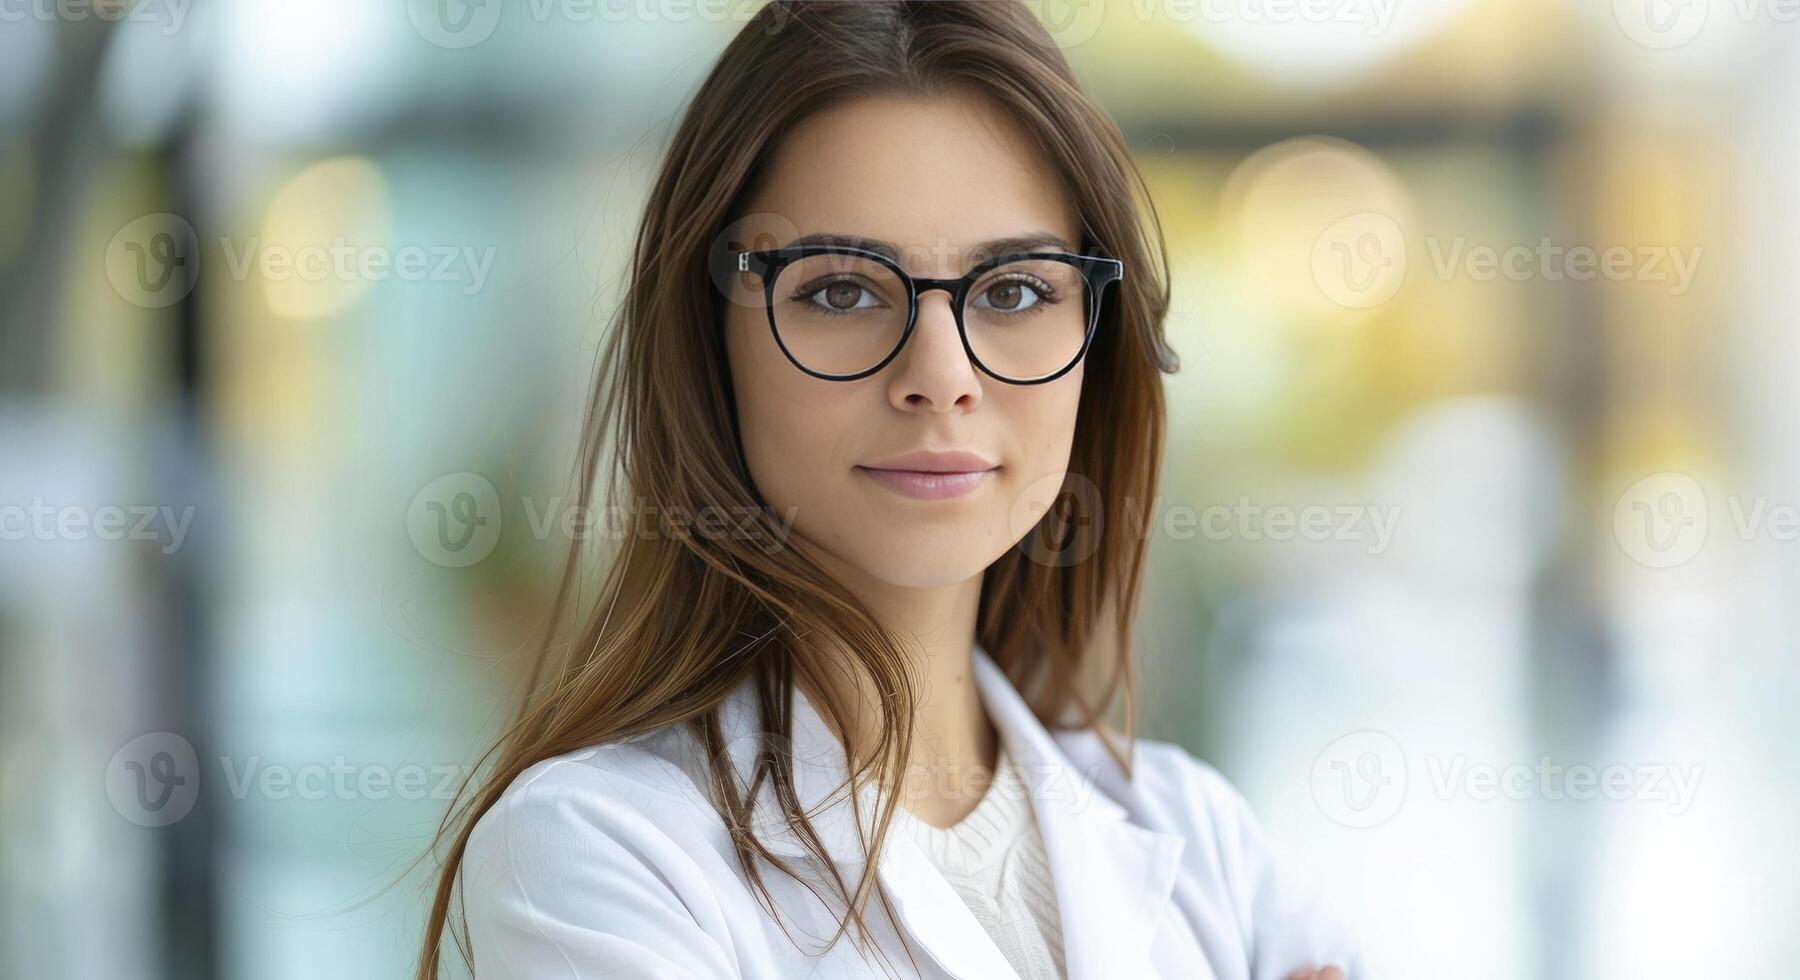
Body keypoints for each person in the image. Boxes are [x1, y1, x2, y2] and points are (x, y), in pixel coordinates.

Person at [413, 3, 1365, 978]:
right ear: (711, 344)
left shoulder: (1204, 838)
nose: (940, 372)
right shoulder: (594, 850)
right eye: (841, 289)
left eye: (1014, 290)